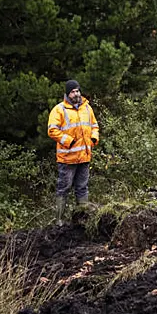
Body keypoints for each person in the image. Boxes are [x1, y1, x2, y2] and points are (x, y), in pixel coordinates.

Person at [47, 80, 99, 225]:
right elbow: (52, 130)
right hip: (67, 159)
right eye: (73, 91)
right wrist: (68, 140)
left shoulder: (87, 108)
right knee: (64, 189)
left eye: (77, 91)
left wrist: (94, 138)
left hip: (84, 156)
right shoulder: (59, 110)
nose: (76, 94)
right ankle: (59, 221)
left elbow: (94, 125)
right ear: (67, 94)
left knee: (82, 188)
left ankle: (82, 220)